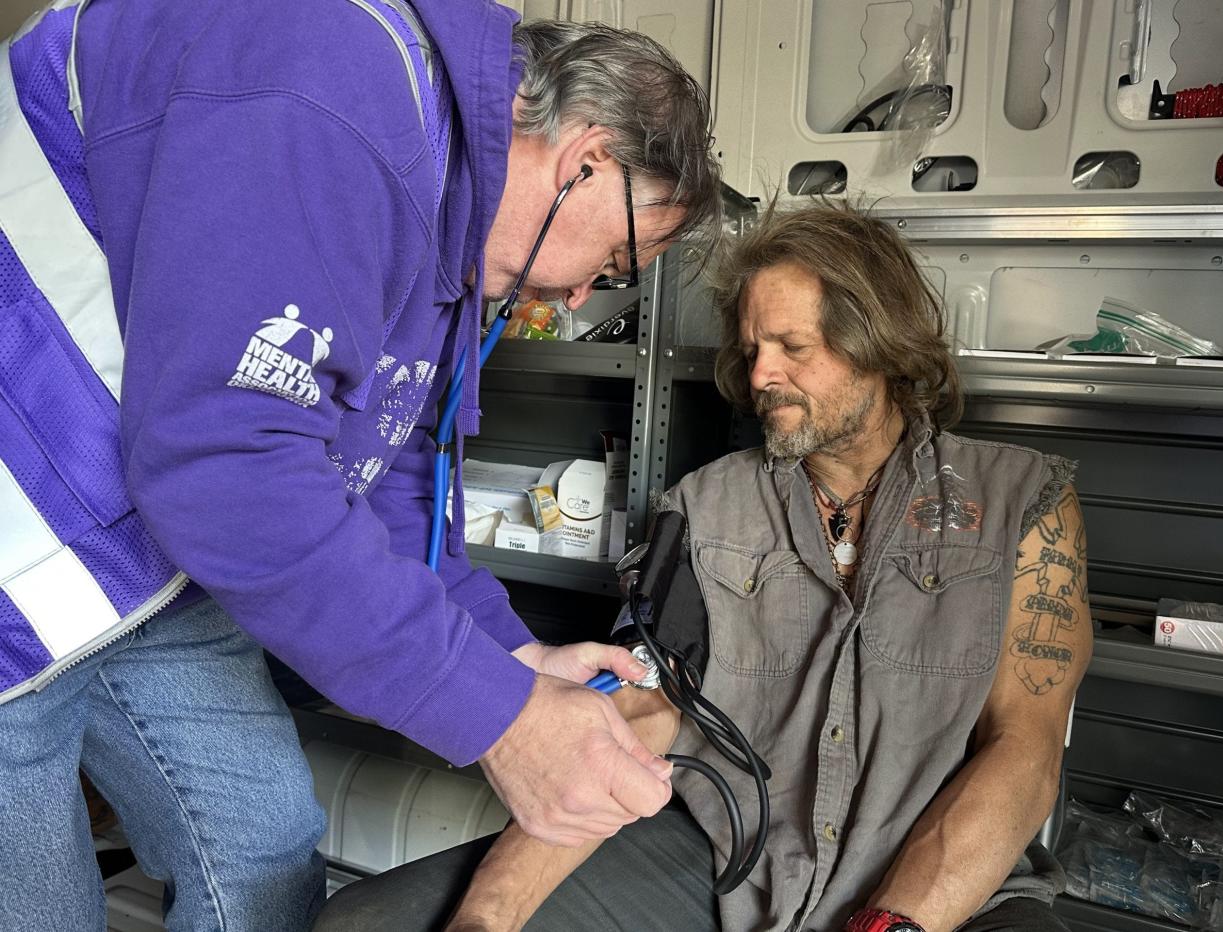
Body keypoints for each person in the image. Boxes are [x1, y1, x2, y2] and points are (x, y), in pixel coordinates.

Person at [0, 1, 719, 929]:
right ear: (585, 159)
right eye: (615, 258)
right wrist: (503, 719)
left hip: (136, 546)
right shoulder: (328, 80)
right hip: (22, 521)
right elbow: (229, 466)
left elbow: (386, 470)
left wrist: (517, 659)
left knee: (260, 857)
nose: (583, 295)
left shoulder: (444, 214)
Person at [313, 200, 1094, 932]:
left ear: (878, 343)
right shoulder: (704, 505)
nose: (759, 377)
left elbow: (1023, 750)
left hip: (953, 886)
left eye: (794, 348)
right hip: (736, 865)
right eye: (753, 350)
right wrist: (490, 916)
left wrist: (894, 925)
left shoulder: (1021, 499)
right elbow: (644, 712)